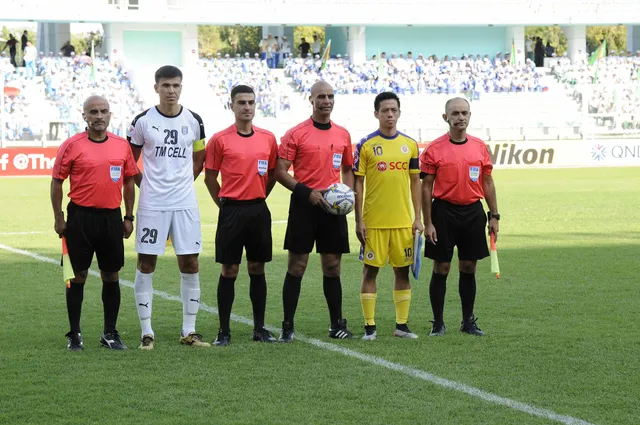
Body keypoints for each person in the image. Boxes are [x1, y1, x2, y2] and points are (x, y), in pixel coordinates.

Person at [127, 65, 209, 350]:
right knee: (146, 263)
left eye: (176, 85)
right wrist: (145, 185)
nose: (171, 91)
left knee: (191, 263)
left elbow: (200, 158)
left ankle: (189, 330)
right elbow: (129, 161)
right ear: (156, 88)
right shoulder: (143, 121)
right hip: (152, 204)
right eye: (166, 86)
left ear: (181, 87)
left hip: (185, 203)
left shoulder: (194, 120)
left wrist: (184, 183)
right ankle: (146, 332)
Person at [50, 95, 137, 351]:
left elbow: (129, 181)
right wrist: (59, 218)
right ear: (84, 116)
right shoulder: (71, 145)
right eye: (93, 112)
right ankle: (74, 334)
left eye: (104, 111)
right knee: (77, 277)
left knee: (111, 274)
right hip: (80, 218)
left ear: (110, 114)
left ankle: (109, 333)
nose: (99, 116)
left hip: (111, 218)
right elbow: (57, 182)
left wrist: (128, 216)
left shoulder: (122, 146)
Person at [275, 80, 354, 342]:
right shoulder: (296, 133)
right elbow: (280, 171)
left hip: (332, 208)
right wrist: (306, 192)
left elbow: (347, 170)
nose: (326, 101)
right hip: (304, 205)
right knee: (297, 266)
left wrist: (348, 196)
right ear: (311, 100)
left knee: (332, 267)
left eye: (330, 96)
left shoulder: (343, 134)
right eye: (321, 96)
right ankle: (287, 325)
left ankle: (336, 324)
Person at [204, 85, 278, 346]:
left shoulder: (268, 138)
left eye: (251, 102)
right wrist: (223, 204)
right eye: (242, 103)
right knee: (230, 269)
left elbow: (271, 175)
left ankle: (259, 329)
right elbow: (210, 177)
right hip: (231, 210)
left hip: (258, 209)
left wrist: (259, 196)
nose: (247, 107)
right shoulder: (219, 139)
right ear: (231, 106)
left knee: (257, 267)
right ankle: (223, 331)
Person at [420, 97, 499, 337]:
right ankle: (438, 322)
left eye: (464, 112)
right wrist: (428, 222)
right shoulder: (434, 149)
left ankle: (467, 322)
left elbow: (487, 181)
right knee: (442, 267)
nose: (460, 117)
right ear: (446, 118)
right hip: (443, 211)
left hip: (473, 212)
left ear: (470, 115)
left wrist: (494, 215)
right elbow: (426, 187)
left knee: (468, 266)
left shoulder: (478, 146)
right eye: (455, 113)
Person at [353, 92, 423, 341]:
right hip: (374, 223)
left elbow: (416, 182)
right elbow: (358, 184)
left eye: (394, 110)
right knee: (370, 271)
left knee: (402, 272)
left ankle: (401, 326)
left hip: (403, 222)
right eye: (385, 111)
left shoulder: (410, 145)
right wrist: (359, 220)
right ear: (376, 114)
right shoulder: (366, 145)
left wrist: (418, 218)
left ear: (399, 113)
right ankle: (369, 327)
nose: (390, 115)